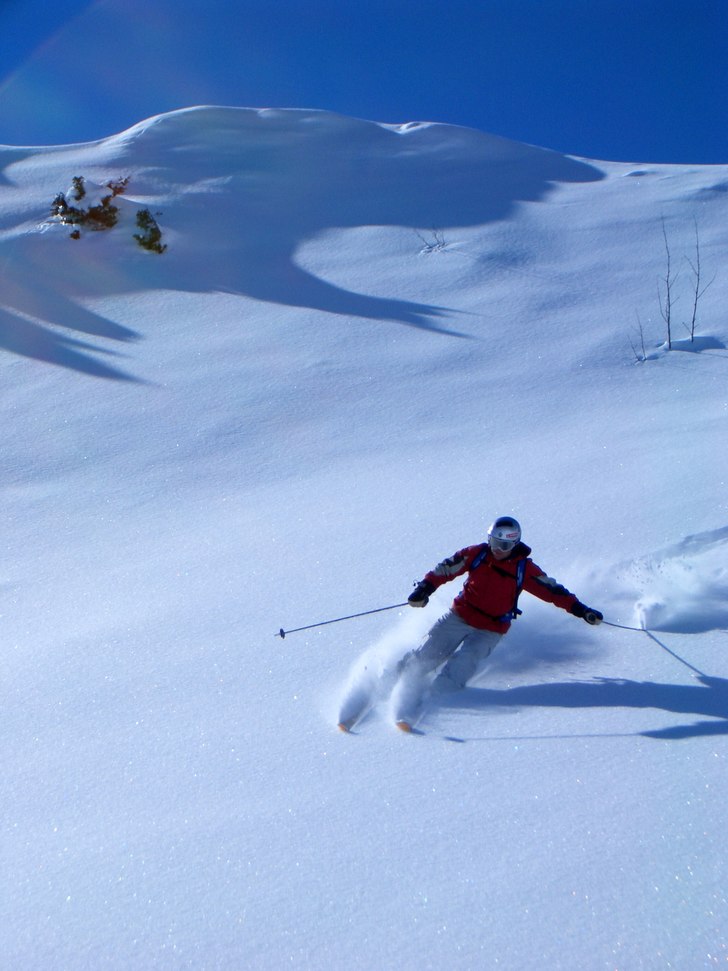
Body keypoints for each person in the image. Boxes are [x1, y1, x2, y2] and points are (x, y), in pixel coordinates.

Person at [392, 516, 602, 727]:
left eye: (504, 545)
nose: (497, 549)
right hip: (461, 615)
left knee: (465, 662)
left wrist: (581, 610)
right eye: (494, 542)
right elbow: (446, 568)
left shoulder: (523, 569)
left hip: (491, 628)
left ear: (514, 544)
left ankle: (434, 702)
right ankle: (392, 679)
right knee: (428, 655)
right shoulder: (478, 554)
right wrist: (424, 589)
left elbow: (553, 592)